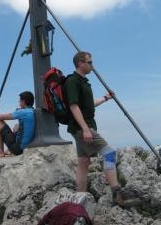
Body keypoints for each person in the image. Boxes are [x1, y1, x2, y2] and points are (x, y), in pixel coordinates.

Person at [65, 51, 140, 207]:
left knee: (83, 162)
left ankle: (79, 200)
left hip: (82, 126)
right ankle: (117, 193)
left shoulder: (83, 82)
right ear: (80, 63)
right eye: (90, 62)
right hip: (82, 127)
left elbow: (88, 105)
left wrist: (106, 98)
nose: (93, 65)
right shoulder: (72, 81)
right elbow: (73, 106)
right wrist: (85, 129)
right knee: (110, 153)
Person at [0, 91, 35, 158]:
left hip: (18, 149)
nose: (19, 104)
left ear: (23, 101)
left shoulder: (23, 112)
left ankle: (0, 151)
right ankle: (8, 150)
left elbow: (1, 117)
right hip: (27, 147)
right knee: (16, 126)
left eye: (20, 101)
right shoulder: (32, 111)